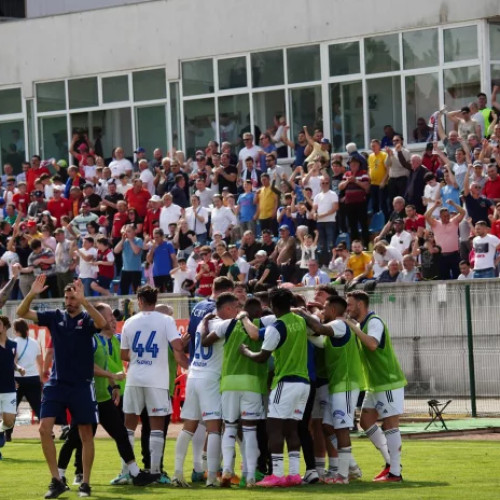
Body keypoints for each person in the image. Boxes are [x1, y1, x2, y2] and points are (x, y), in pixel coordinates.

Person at [16, 277, 106, 499]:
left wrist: (85, 302)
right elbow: (21, 312)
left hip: (81, 385)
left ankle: (85, 483)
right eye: (67, 297)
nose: (69, 301)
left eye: (72, 297)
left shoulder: (86, 319)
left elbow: (102, 323)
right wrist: (32, 293)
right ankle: (57, 480)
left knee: (86, 434)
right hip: (56, 384)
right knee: (44, 429)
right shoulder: (55, 317)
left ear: (79, 298)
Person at [240, 288, 309, 487]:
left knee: (274, 427)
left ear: (273, 306)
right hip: (303, 382)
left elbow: (262, 357)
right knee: (292, 428)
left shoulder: (276, 327)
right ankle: (294, 474)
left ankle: (277, 474)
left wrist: (245, 352)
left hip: (285, 381)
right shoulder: (300, 321)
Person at [173, 292, 241, 488]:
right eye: (235, 308)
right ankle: (211, 477)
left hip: (193, 375)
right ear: (227, 308)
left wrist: (204, 320)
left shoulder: (205, 322)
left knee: (188, 427)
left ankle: (178, 473)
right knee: (213, 428)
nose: (237, 311)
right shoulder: (224, 323)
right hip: (210, 378)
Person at [121, 286, 188, 482]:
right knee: (157, 426)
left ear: (139, 300)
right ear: (155, 298)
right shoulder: (166, 320)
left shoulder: (129, 322)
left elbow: (124, 355)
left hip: (134, 378)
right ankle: (155, 471)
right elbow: (177, 345)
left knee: (129, 427)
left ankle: (126, 470)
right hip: (157, 380)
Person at [296, 295, 364, 484]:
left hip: (347, 383)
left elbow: (318, 328)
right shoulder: (336, 330)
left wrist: (302, 313)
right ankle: (352, 467)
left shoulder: (339, 324)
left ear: (333, 310)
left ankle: (342, 476)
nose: (322, 312)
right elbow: (317, 338)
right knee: (328, 426)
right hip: (338, 384)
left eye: (325, 308)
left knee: (342, 427)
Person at [345, 290, 407, 483]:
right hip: (374, 384)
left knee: (390, 424)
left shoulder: (374, 321)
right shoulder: (363, 324)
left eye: (350, 305)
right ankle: (390, 463)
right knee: (365, 421)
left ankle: (395, 473)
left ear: (360, 305)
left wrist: (354, 328)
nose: (348, 308)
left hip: (388, 381)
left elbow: (372, 344)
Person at [7, 319, 42, 441]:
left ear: (15, 330)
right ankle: (48, 430)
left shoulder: (13, 343)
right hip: (33, 378)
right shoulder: (34, 342)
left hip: (17, 378)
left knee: (12, 407)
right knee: (38, 406)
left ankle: (8, 434)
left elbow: (12, 363)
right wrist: (41, 377)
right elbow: (40, 362)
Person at [0, 315, 26, 458]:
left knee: (9, 422)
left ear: (5, 327)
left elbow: (12, 364)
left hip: (9, 388)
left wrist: (19, 368)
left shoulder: (13, 345)